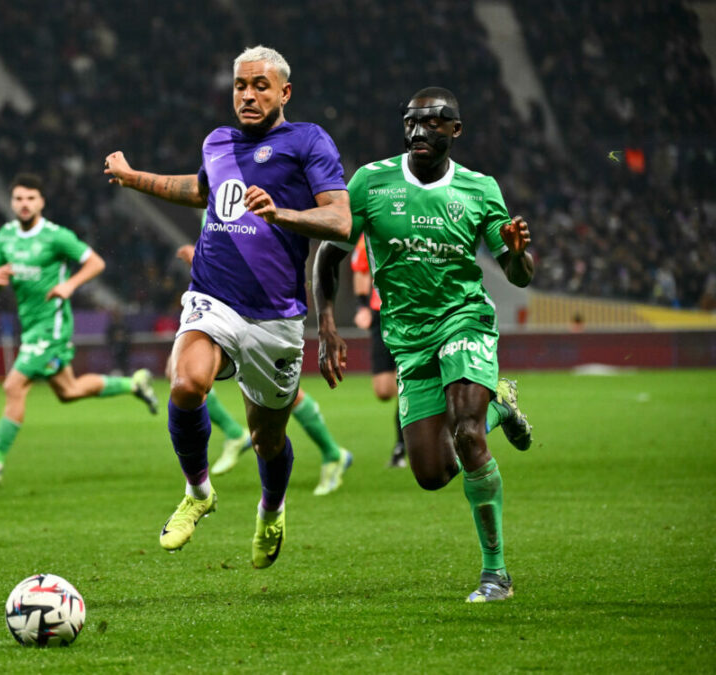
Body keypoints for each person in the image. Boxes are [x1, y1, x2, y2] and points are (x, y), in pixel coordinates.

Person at [105, 46, 351, 568]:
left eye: (261, 85)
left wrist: (280, 212)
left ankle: (272, 506)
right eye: (240, 85)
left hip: (277, 316)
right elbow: (198, 191)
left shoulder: (308, 141)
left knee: (267, 439)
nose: (248, 95)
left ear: (284, 92)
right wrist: (134, 177)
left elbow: (340, 221)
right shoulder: (218, 141)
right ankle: (198, 491)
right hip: (214, 298)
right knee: (186, 382)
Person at [313, 87, 534, 602]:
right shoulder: (371, 182)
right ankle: (501, 406)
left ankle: (495, 573)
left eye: (434, 122)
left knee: (467, 432)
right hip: (408, 339)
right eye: (412, 121)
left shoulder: (480, 190)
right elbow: (328, 256)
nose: (419, 131)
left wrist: (521, 256)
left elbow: (518, 275)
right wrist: (326, 323)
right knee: (431, 474)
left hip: (464, 322)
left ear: (455, 130)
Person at [0, 173, 158, 488]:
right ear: (12, 202)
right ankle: (133, 383)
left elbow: (95, 263)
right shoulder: (5, 236)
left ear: (41, 202)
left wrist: (69, 285)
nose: (24, 204)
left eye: (30, 198)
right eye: (19, 199)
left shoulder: (56, 236)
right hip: (30, 325)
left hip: (51, 326)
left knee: (13, 386)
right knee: (69, 391)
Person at [175, 241, 353, 496]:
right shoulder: (216, 207)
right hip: (226, 311)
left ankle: (331, 453)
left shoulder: (258, 207)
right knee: (187, 375)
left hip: (262, 312)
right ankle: (235, 437)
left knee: (278, 399)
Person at [351, 235, 406, 468]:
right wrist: (362, 306)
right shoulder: (369, 236)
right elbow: (361, 270)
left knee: (406, 381)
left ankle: (401, 446)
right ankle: (424, 398)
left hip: (411, 310)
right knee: (383, 390)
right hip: (380, 313)